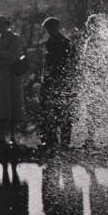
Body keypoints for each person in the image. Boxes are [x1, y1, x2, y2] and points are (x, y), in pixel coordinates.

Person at [0, 15, 26, 145]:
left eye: (2, 25)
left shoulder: (15, 38)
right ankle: (1, 136)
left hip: (11, 75)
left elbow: (15, 55)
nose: (0, 28)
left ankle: (13, 136)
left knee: (13, 105)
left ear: (7, 25)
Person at [39, 17, 78, 150]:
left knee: (65, 114)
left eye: (54, 27)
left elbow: (73, 64)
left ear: (58, 27)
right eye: (49, 29)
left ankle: (65, 143)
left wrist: (68, 82)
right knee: (48, 113)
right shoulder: (47, 44)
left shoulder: (67, 43)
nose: (52, 30)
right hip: (49, 83)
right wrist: (44, 81)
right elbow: (46, 65)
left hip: (64, 83)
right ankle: (50, 141)